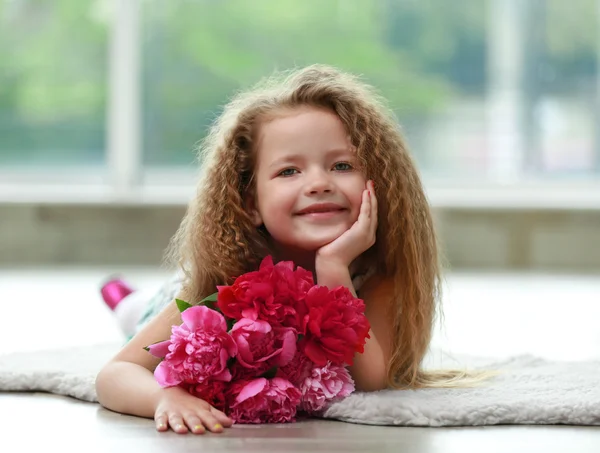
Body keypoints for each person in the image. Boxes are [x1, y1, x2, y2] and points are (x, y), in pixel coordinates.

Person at [95, 64, 491, 435]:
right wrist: (164, 396)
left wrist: (334, 266)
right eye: (289, 171)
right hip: (172, 299)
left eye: (342, 166)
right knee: (140, 314)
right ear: (249, 204)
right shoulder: (228, 279)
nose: (319, 183)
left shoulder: (375, 280)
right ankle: (123, 299)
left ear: (378, 185)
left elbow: (372, 379)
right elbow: (116, 374)